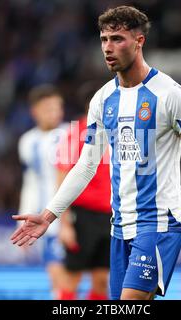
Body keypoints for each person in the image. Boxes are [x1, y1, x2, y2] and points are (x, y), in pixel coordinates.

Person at [11, 6, 181, 300]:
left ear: (139, 41)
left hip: (159, 223)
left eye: (117, 39)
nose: (108, 48)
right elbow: (85, 166)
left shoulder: (171, 95)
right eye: (104, 39)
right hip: (119, 227)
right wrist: (49, 216)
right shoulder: (103, 99)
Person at [56, 83, 112, 300]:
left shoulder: (119, 134)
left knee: (101, 280)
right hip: (82, 214)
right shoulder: (76, 133)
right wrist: (65, 223)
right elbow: (62, 177)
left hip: (111, 216)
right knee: (72, 276)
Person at [16, 84, 69, 300]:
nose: (55, 113)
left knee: (92, 276)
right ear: (34, 111)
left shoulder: (73, 134)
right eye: (48, 108)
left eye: (58, 107)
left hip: (75, 217)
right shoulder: (27, 142)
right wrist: (22, 221)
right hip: (48, 222)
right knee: (56, 276)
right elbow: (31, 183)